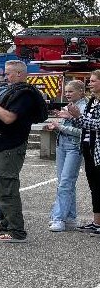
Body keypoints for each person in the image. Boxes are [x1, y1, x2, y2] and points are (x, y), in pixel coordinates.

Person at [0, 60, 47, 243]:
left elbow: (7, 118)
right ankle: (5, 224)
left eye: (8, 73)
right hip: (1, 144)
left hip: (11, 145)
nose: (4, 76)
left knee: (8, 188)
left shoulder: (24, 94)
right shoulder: (10, 92)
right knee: (1, 187)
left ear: (20, 74)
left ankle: (17, 232)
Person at [45, 80, 86, 232]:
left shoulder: (84, 107)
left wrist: (60, 125)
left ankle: (58, 218)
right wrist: (55, 127)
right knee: (65, 183)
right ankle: (70, 217)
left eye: (71, 91)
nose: (67, 94)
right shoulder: (68, 106)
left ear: (81, 91)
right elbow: (66, 126)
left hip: (74, 148)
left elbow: (82, 132)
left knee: (65, 183)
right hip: (62, 145)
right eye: (66, 91)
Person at [64, 70, 100, 235]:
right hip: (88, 148)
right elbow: (85, 124)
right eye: (90, 81)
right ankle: (97, 222)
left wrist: (77, 117)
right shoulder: (92, 100)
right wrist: (72, 117)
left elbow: (97, 124)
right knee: (94, 186)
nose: (90, 84)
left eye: (93, 81)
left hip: (98, 149)